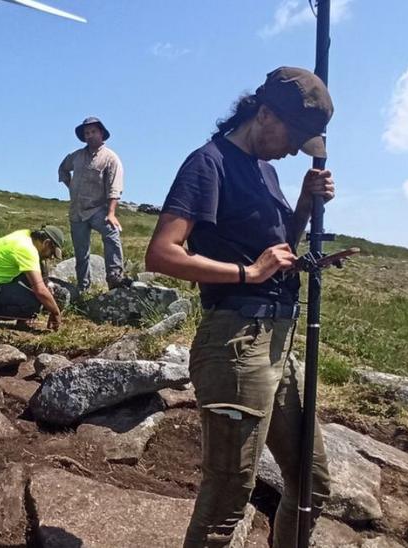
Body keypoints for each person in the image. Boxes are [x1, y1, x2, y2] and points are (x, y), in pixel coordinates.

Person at [143, 67, 336, 548]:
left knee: (313, 483)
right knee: (228, 495)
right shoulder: (208, 164)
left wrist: (303, 210)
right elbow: (162, 253)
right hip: (236, 340)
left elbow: (275, 250)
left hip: (278, 340)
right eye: (294, 137)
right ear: (265, 113)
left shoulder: (266, 171)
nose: (295, 150)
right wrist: (248, 273)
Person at [58, 116, 125, 292]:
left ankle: (115, 277)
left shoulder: (110, 158)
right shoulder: (76, 156)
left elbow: (114, 188)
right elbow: (63, 168)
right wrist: (70, 185)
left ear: (101, 133)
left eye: (93, 132)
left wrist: (111, 213)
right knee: (81, 253)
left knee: (111, 233)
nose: (90, 135)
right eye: (87, 133)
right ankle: (83, 288)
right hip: (77, 211)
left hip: (98, 209)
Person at [0, 226, 67, 330]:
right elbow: (40, 291)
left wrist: (46, 284)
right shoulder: (27, 250)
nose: (51, 257)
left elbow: (39, 269)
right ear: (46, 243)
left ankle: (16, 318)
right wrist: (55, 312)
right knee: (34, 303)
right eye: (52, 252)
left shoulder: (23, 236)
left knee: (29, 281)